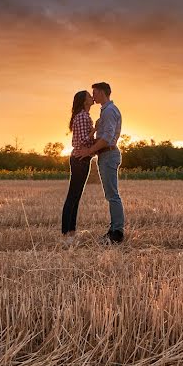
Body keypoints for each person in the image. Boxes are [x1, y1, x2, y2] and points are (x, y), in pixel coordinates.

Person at [73, 81, 124, 244]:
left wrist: (88, 151)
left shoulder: (109, 112)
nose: (93, 96)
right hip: (106, 155)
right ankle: (114, 229)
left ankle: (117, 233)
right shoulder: (106, 111)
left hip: (109, 155)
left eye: (94, 92)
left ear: (101, 92)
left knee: (112, 195)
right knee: (111, 194)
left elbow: (107, 139)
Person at [61, 90, 94, 243]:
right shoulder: (82, 117)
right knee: (73, 196)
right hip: (79, 159)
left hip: (83, 159)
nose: (92, 97)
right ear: (83, 101)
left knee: (76, 196)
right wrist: (95, 130)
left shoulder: (84, 116)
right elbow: (80, 142)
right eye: (89, 96)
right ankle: (66, 233)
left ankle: (71, 233)